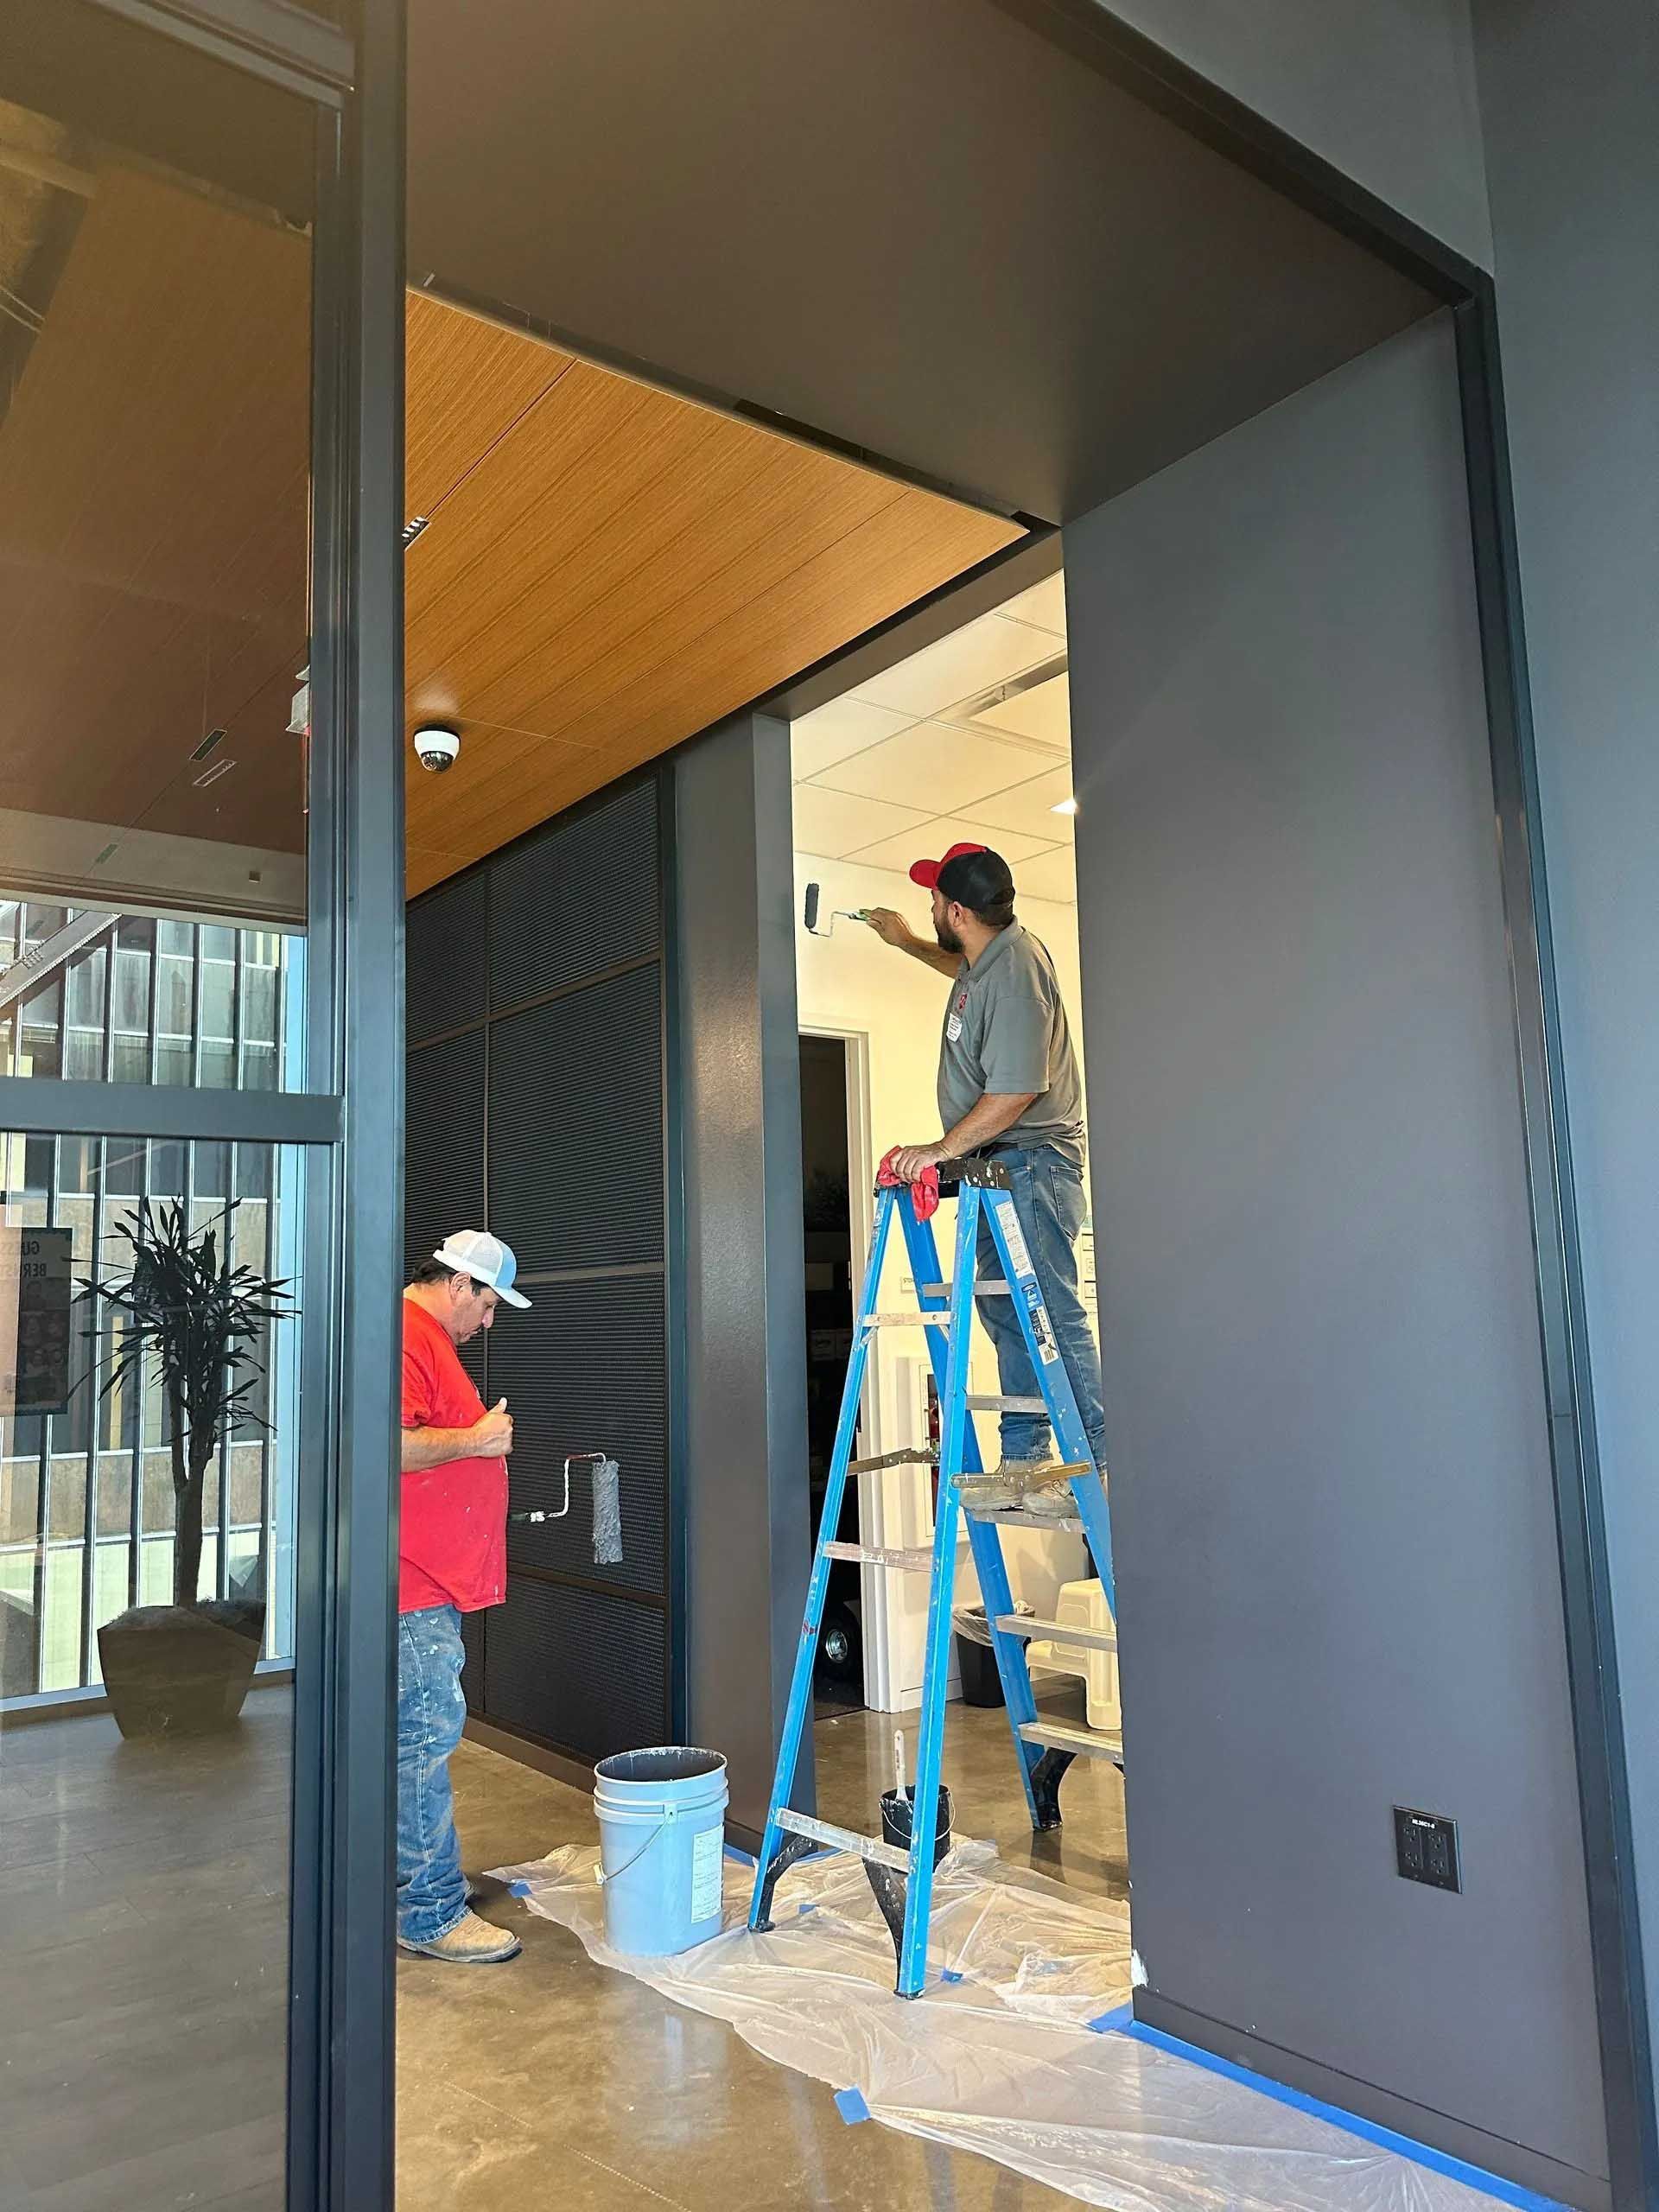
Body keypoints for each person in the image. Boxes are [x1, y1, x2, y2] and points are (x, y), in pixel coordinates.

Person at [867, 842, 1107, 1512]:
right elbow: (957, 966)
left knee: (1052, 1316)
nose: (928, 906)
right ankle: (1026, 1465)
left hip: (1034, 1161)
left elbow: (1019, 1091)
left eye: (933, 900)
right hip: (999, 1169)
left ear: (958, 909)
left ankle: (1102, 1469)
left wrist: (938, 1151)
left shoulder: (1017, 973)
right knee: (1004, 1310)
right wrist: (907, 942)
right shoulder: (986, 960)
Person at [397, 1229, 530, 1964]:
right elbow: (392, 1444)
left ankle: (415, 1885)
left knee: (413, 1742)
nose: (488, 1322)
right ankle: (430, 1914)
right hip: (414, 1583)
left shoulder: (423, 1338)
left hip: (425, 1582)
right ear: (459, 1284)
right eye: (487, 1305)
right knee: (421, 1743)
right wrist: (478, 1441)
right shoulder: (410, 1336)